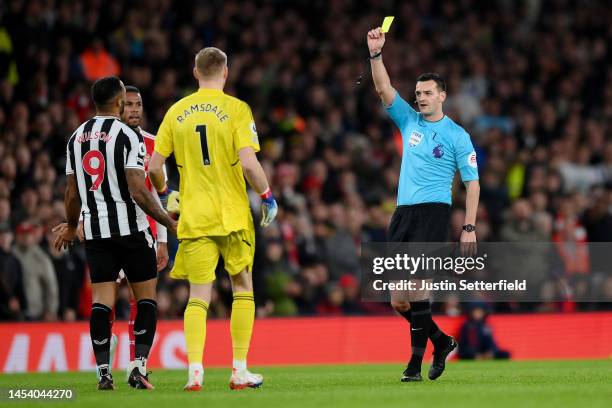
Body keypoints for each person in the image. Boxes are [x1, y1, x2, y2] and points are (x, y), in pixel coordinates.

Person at [148, 47, 277, 391]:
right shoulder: (236, 109)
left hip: (194, 215)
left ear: (195, 72)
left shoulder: (176, 112)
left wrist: (164, 195)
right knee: (242, 286)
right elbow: (249, 164)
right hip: (232, 215)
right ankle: (239, 370)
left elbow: (153, 167)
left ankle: (194, 372)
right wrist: (266, 195)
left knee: (197, 296)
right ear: (226, 72)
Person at [367, 27, 480, 382]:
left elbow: (473, 184)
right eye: (418, 93)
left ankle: (414, 366)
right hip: (402, 215)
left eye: (428, 93)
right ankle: (441, 340)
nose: (421, 98)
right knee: (399, 301)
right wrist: (375, 55)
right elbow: (384, 88)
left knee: (418, 287)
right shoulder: (409, 121)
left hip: (433, 213)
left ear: (443, 95)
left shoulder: (458, 135)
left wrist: (469, 228)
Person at [53, 76, 177, 390]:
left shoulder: (75, 138)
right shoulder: (128, 137)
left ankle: (104, 372)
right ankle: (138, 368)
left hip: (95, 233)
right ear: (120, 100)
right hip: (131, 230)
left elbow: (71, 193)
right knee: (146, 298)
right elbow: (139, 190)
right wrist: (168, 221)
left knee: (101, 302)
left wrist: (71, 226)